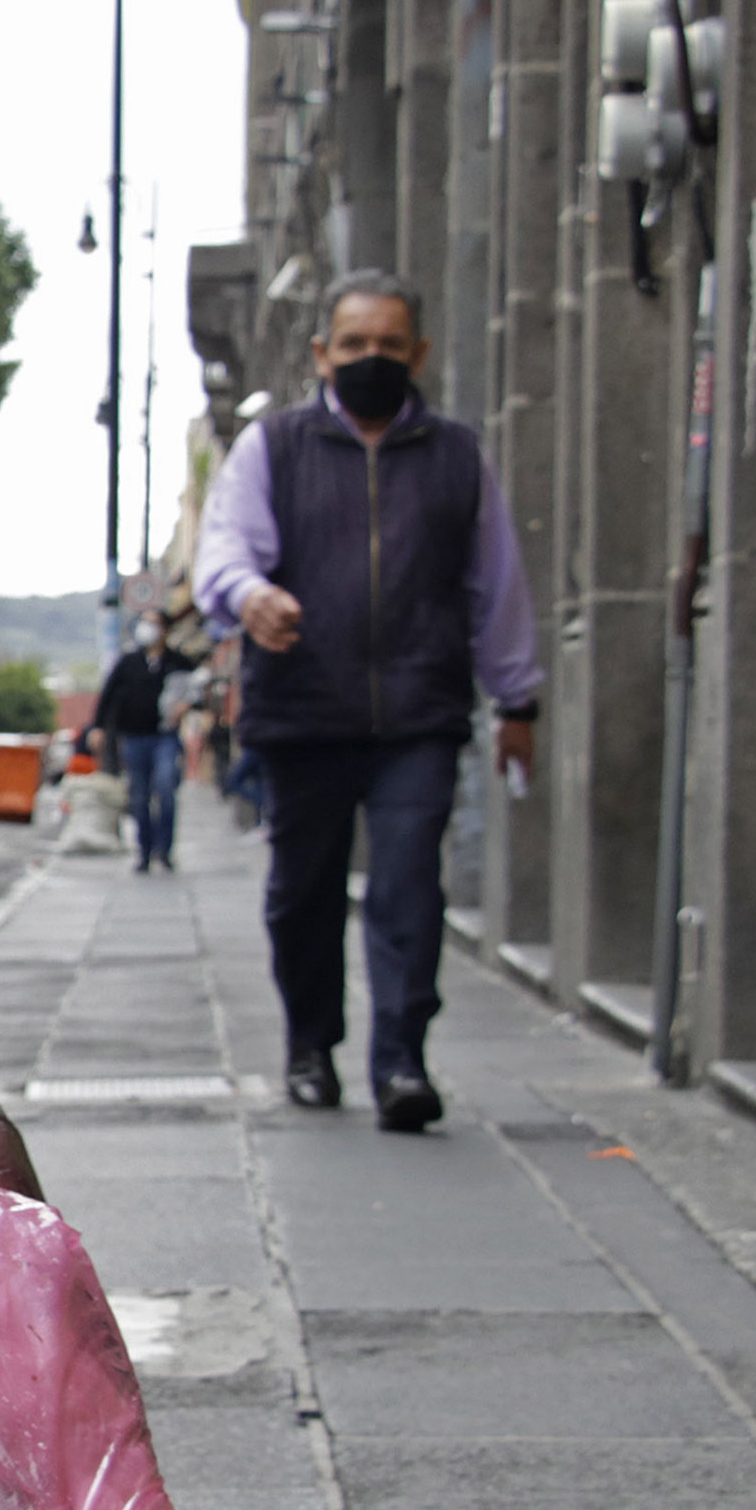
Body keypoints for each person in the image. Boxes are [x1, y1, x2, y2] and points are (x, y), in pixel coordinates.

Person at [194, 269, 542, 1133]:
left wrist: (519, 702)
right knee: (302, 892)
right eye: (354, 345)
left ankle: (401, 1063)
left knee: (407, 888)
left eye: (390, 344)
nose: (371, 359)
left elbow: (497, 587)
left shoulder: (458, 456)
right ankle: (311, 1044)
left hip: (419, 714)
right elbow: (224, 552)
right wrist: (250, 596)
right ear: (323, 353)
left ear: (418, 352)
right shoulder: (273, 445)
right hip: (303, 710)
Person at [88, 619, 195, 873]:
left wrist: (187, 705)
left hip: (165, 736)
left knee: (166, 789)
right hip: (134, 737)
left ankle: (165, 851)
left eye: (154, 624)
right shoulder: (129, 662)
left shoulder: (177, 662)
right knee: (139, 797)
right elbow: (108, 694)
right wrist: (98, 727)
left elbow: (197, 688)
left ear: (165, 630)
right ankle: (144, 852)